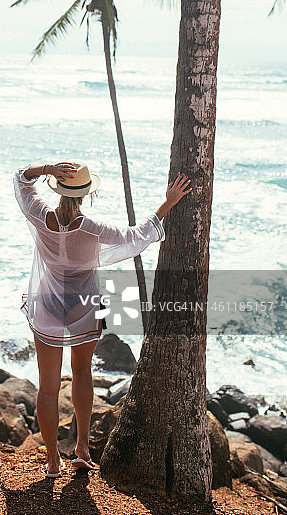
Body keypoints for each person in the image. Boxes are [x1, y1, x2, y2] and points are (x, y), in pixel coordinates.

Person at [13, 161, 191, 477]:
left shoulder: (39, 216)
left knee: (47, 388)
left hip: (47, 307)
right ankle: (81, 448)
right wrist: (168, 202)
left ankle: (53, 459)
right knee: (82, 372)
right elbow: (138, 236)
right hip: (85, 307)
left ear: (56, 188)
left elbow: (20, 180)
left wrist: (47, 168)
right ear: (86, 196)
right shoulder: (94, 229)